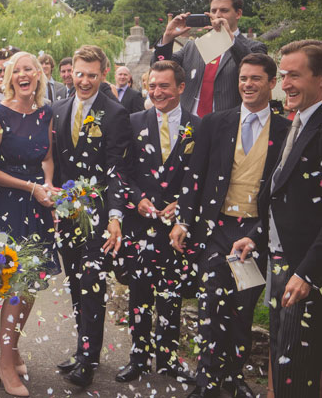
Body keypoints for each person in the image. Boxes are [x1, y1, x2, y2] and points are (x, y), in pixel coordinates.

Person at [169, 53, 290, 398]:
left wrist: (258, 234)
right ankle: (205, 379)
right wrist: (183, 221)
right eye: (242, 79)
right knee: (210, 304)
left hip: (255, 231)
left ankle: (234, 378)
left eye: (255, 79)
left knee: (243, 309)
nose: (247, 85)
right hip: (217, 228)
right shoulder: (216, 122)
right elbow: (196, 176)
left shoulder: (285, 130)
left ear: (272, 82)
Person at [232, 40, 322, 398]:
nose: (285, 84)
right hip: (280, 262)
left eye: (294, 75)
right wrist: (256, 234)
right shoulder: (298, 120)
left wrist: (308, 272)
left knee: (300, 371)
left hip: (306, 270)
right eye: (283, 75)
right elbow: (282, 195)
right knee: (282, 355)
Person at [52, 44, 132, 387]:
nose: (84, 81)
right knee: (74, 282)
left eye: (92, 75)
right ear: (71, 73)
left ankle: (88, 357)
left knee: (92, 283)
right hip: (66, 213)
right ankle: (82, 346)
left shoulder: (114, 113)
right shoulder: (58, 109)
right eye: (79, 74)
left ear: (104, 73)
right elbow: (56, 163)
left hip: (97, 214)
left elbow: (117, 170)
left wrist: (114, 215)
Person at [117, 61, 199, 384]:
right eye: (152, 86)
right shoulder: (134, 121)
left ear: (180, 87)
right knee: (139, 291)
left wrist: (183, 204)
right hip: (141, 223)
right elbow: (122, 171)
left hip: (177, 227)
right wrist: (137, 199)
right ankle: (138, 356)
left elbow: (199, 175)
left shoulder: (197, 126)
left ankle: (167, 357)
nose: (156, 92)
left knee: (171, 292)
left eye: (164, 86)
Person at [0, 51, 61, 397]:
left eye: (29, 68)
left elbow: (47, 157)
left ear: (39, 75)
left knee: (32, 285)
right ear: (9, 77)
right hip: (9, 205)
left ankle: (12, 346)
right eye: (17, 70)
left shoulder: (46, 113)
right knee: (16, 285)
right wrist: (31, 187)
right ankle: (4, 363)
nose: (23, 74)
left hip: (38, 207)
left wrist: (46, 185)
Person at [153, 0, 267, 117]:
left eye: (224, 10)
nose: (217, 15)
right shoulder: (192, 47)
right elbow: (159, 68)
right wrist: (167, 37)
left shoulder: (254, 47)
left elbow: (255, 69)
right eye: (213, 10)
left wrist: (228, 36)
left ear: (238, 14)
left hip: (227, 125)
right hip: (189, 126)